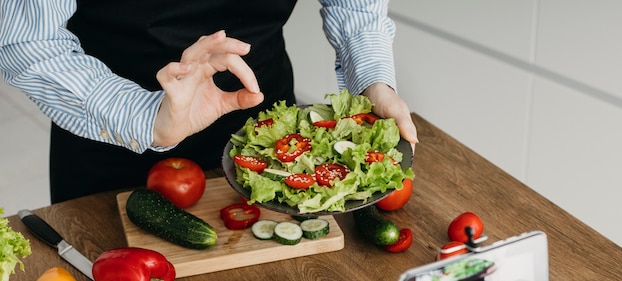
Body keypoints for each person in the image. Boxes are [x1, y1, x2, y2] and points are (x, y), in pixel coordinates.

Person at [0, 0, 418, 203]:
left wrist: (373, 80)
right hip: (109, 133)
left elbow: (355, 6)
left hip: (273, 137)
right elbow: (27, 39)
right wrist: (148, 116)